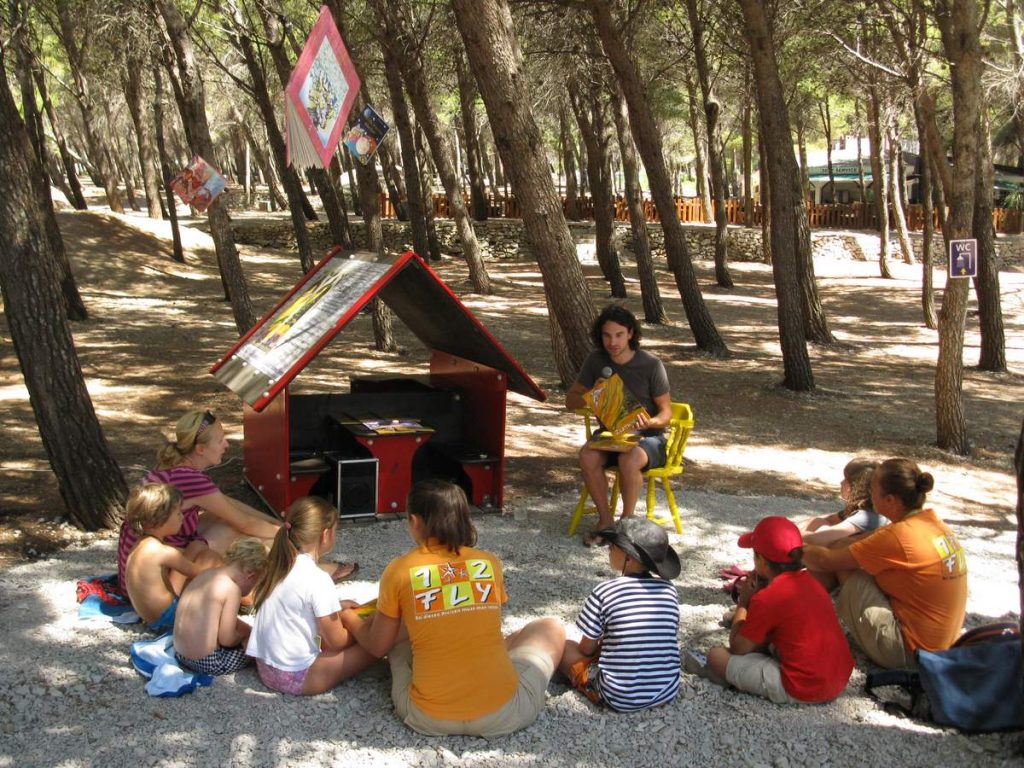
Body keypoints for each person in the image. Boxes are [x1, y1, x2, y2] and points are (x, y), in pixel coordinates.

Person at [340, 480, 566, 738]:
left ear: (415, 521)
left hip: (427, 717)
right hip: (503, 714)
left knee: (398, 643)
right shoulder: (489, 563)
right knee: (551, 628)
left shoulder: (399, 570)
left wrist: (348, 617)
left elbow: (377, 646)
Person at [117, 409, 357, 591]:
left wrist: (278, 523)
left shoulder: (174, 467)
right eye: (220, 440)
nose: (226, 444)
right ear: (200, 449)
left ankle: (297, 560)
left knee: (219, 520)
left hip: (134, 571)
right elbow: (245, 523)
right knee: (237, 534)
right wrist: (288, 535)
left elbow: (227, 504)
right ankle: (303, 566)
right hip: (155, 582)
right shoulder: (191, 479)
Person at [803, 458, 968, 669]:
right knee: (846, 552)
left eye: (872, 490)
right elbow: (853, 543)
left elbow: (826, 561)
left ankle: (792, 604)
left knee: (843, 564)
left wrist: (790, 546)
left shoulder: (899, 536)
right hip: (940, 646)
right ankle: (796, 599)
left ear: (889, 500)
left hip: (909, 652)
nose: (869, 496)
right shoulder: (930, 523)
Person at [687, 516, 854, 705]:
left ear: (763, 562)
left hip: (804, 687)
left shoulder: (768, 598)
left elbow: (738, 648)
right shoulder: (811, 582)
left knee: (716, 655)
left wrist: (744, 602)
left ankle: (724, 676)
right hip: (837, 678)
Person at [246, 497, 377, 695]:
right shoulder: (318, 578)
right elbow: (337, 642)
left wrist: (337, 606)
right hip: (296, 676)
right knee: (379, 640)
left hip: (266, 670)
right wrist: (358, 625)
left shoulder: (280, 565)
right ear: (325, 535)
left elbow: (299, 604)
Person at [565, 305, 672, 547]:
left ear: (631, 333)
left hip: (647, 439)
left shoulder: (651, 364)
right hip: (611, 435)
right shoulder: (596, 361)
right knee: (587, 456)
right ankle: (605, 521)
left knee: (629, 458)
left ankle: (626, 523)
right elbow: (570, 401)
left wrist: (651, 422)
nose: (612, 342)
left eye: (619, 335)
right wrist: (592, 394)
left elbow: (666, 412)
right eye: (607, 335)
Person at [558, 518, 681, 712]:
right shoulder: (669, 590)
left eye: (613, 546)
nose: (608, 549)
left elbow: (586, 650)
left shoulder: (605, 591)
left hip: (619, 697)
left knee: (564, 647)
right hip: (666, 691)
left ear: (628, 558)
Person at [121, 483, 220, 633]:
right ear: (159, 520)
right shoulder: (164, 552)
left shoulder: (141, 545)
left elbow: (184, 552)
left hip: (151, 620)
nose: (182, 517)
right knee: (212, 562)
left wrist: (196, 548)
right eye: (178, 513)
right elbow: (199, 572)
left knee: (196, 546)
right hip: (169, 618)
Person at [173, 537, 268, 676]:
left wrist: (245, 628)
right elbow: (227, 640)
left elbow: (215, 616)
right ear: (251, 576)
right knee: (254, 641)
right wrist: (245, 634)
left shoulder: (207, 574)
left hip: (179, 653)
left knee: (243, 629)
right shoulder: (232, 589)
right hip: (208, 662)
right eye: (255, 585)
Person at [798, 458, 882, 546]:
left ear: (855, 486)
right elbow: (831, 518)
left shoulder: (865, 517)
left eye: (845, 479)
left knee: (825, 532)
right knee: (818, 522)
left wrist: (792, 535)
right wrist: (793, 527)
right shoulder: (865, 509)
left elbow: (815, 539)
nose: (841, 482)